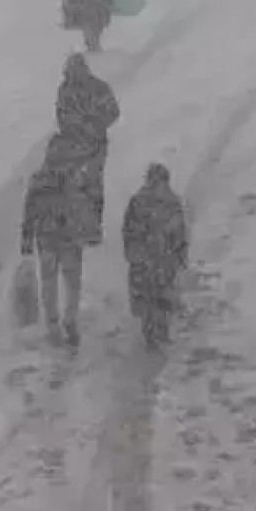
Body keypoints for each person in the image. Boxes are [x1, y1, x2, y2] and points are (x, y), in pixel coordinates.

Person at [20, 156, 97, 347]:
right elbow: (86, 207)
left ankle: (52, 324)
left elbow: (29, 212)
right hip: (70, 237)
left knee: (49, 283)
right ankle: (70, 318)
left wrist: (27, 239)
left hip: (46, 238)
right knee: (72, 282)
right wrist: (89, 231)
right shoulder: (76, 177)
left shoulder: (39, 181)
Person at [55, 53, 120, 241]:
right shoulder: (64, 89)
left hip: (95, 144)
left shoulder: (99, 88)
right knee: (72, 185)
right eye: (71, 71)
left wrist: (94, 124)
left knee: (93, 185)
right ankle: (75, 225)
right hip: (73, 145)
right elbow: (60, 114)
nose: (74, 75)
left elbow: (114, 112)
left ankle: (93, 228)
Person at [122, 163, 189, 347]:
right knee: (157, 295)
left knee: (154, 296)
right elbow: (179, 232)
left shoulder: (140, 201)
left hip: (153, 259)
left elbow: (128, 230)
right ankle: (156, 332)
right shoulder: (169, 202)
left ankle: (155, 332)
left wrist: (132, 252)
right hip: (157, 259)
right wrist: (180, 254)